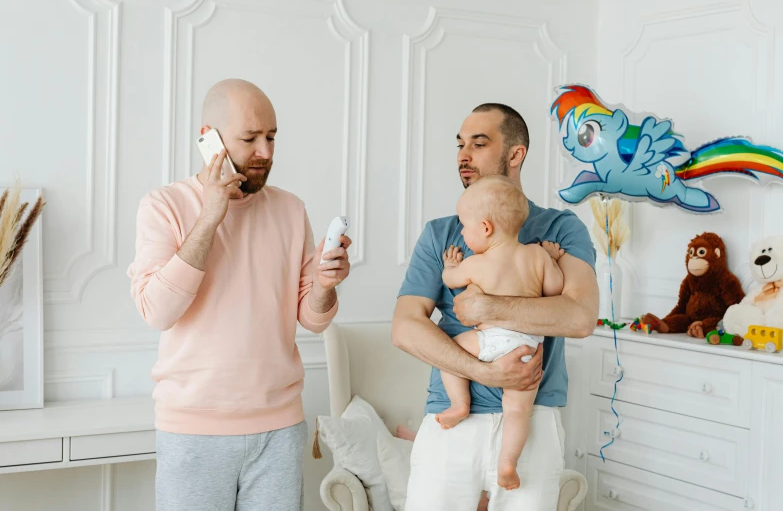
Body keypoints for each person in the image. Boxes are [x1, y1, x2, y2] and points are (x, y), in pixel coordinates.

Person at [127, 78, 351, 511]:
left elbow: (311, 317)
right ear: (208, 138)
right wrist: (211, 215)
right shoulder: (163, 205)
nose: (266, 152)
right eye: (250, 139)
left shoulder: (290, 209)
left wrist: (324, 285)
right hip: (193, 430)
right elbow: (157, 310)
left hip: (279, 430)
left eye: (271, 137)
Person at [392, 103, 598, 510]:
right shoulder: (443, 232)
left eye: (479, 143)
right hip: (451, 424)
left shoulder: (561, 228)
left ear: (515, 154)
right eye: (460, 144)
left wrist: (487, 307)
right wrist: (485, 372)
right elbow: (404, 328)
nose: (463, 155)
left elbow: (580, 317)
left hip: (532, 416)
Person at [436, 175, 566, 491]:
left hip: (488, 339)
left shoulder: (476, 263)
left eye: (465, 227)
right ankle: (508, 464)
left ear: (485, 228)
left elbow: (450, 280)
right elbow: (555, 289)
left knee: (449, 352)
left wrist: (450, 265)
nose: (463, 234)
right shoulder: (536, 257)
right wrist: (554, 259)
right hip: (527, 346)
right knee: (518, 410)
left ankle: (459, 404)